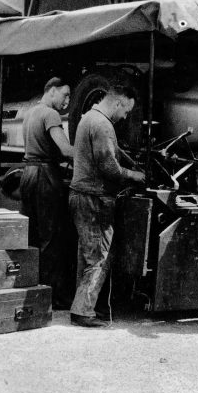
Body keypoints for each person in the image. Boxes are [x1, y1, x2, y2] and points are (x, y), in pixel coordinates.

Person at [69, 85, 145, 328]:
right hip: (95, 198)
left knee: (88, 254)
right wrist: (135, 175)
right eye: (126, 111)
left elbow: (111, 153)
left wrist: (126, 157)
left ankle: (83, 305)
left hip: (82, 195)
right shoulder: (102, 125)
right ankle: (83, 311)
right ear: (118, 103)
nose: (125, 117)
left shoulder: (88, 119)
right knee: (100, 256)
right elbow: (109, 168)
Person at [19, 77, 74, 307]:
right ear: (51, 91)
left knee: (31, 236)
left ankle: (30, 291)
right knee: (51, 239)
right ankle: (53, 297)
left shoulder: (30, 113)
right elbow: (64, 149)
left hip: (28, 173)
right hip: (45, 177)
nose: (67, 101)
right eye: (65, 95)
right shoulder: (50, 115)